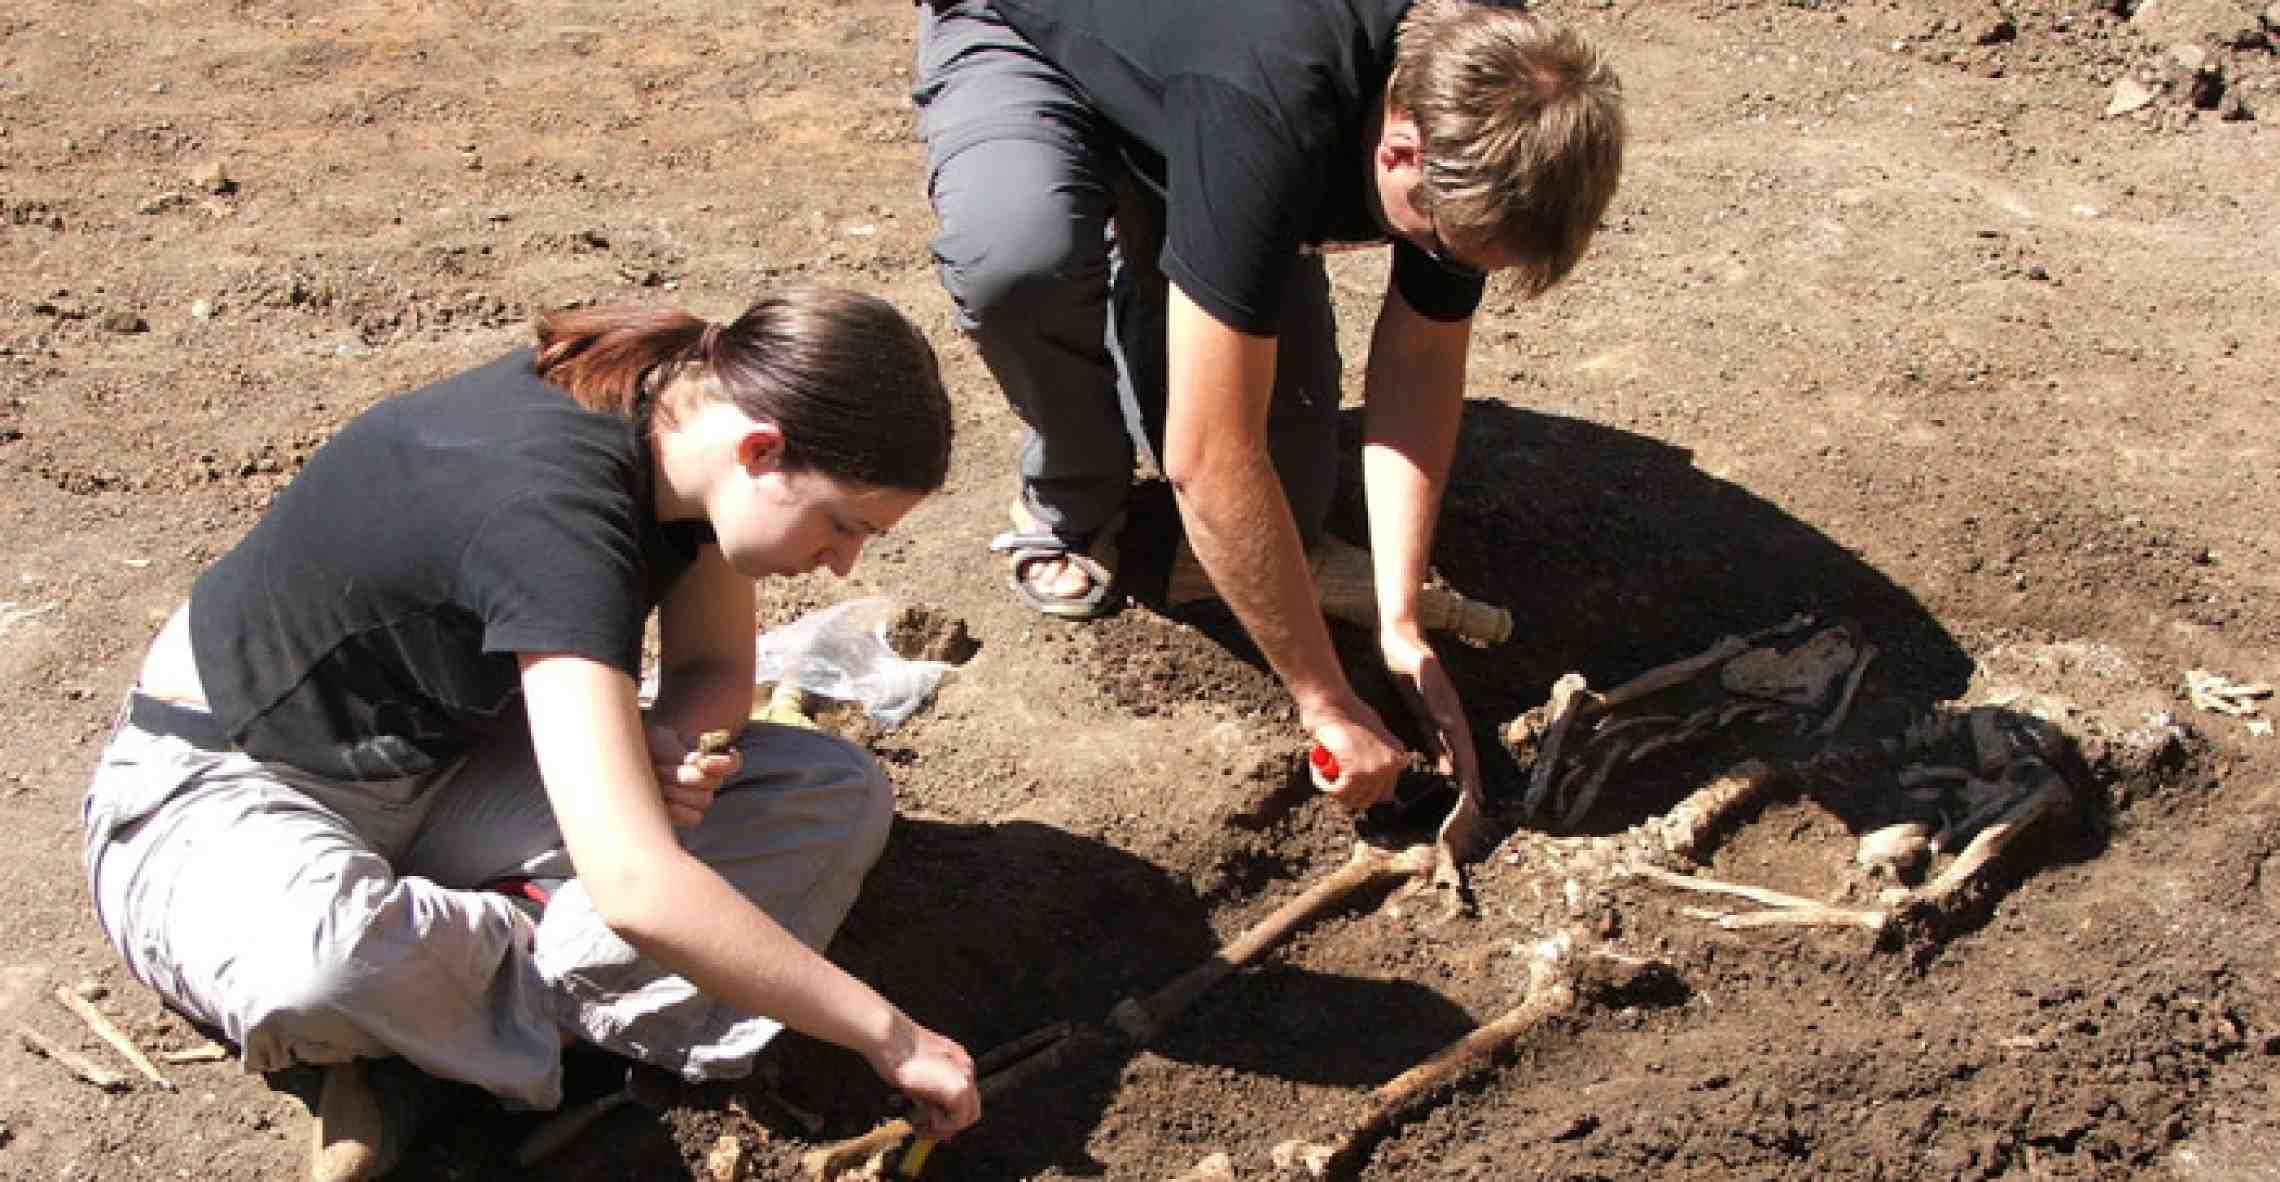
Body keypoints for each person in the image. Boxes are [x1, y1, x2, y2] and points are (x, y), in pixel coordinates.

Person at [79, 290, 982, 1180]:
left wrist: (674, 745)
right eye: (842, 525)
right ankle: (483, 1021)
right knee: (321, 968)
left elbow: (712, 669)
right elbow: (635, 888)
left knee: (827, 795)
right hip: (230, 781)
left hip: (458, 754)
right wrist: (891, 1036)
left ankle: (436, 1031)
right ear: (761, 450)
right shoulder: (555, 515)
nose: (842, 564)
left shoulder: (684, 428)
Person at [913, 0, 1626, 813]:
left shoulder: (1497, 80)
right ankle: (1069, 492)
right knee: (1019, 257)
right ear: (1399, 149)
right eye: (1439, 245)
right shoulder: (1268, 104)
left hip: (1212, 94)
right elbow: (1210, 460)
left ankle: (1190, 233)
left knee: (1283, 505)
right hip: (1031, 28)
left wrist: (1398, 621)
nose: (1442, 264)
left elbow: (1424, 353)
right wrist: (1325, 700)